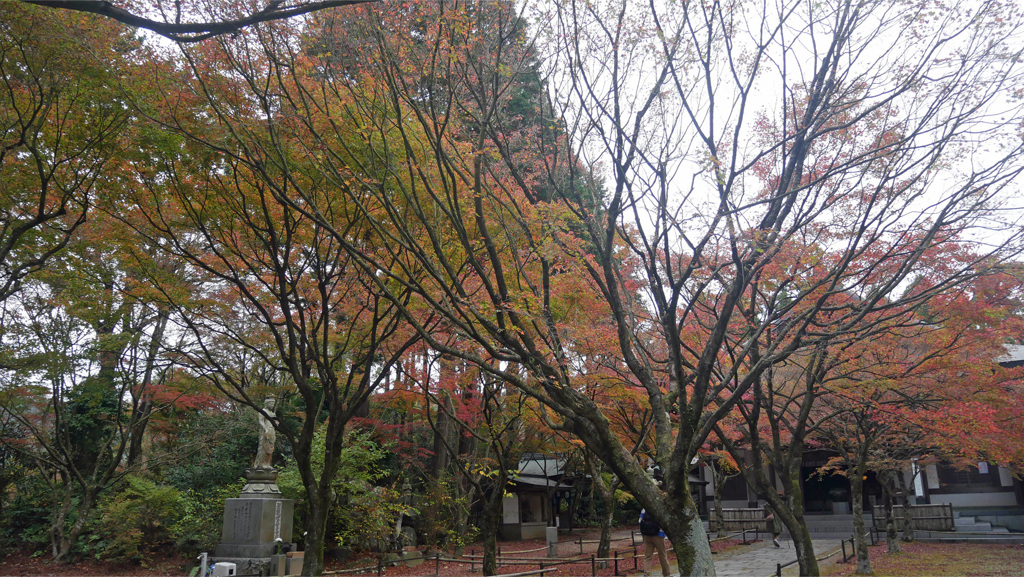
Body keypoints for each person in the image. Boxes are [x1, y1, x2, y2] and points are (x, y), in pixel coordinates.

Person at [638, 508, 673, 577]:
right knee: (662, 556)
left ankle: (647, 574)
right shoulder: (659, 507)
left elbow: (639, 521)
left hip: (647, 535)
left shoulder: (644, 509)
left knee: (647, 557)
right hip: (659, 535)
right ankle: (666, 574)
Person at [254, 397, 277, 469]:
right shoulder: (263, 411)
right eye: (271, 403)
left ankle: (267, 463)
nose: (272, 405)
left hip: (272, 431)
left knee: (271, 447)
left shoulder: (273, 413)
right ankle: (261, 464)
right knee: (264, 447)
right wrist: (265, 428)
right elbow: (260, 421)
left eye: (273, 403)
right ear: (267, 404)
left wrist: (276, 423)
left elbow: (275, 422)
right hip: (266, 430)